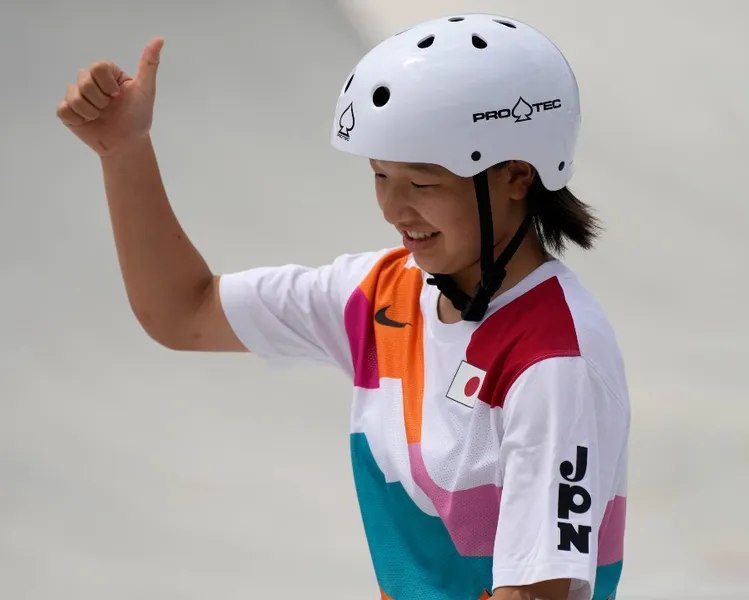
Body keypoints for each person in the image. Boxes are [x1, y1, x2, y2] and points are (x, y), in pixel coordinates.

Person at [56, 12, 630, 600]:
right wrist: (123, 150)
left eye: (423, 183)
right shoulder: (380, 293)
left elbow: (536, 594)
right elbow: (184, 309)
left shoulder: (554, 360)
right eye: (380, 176)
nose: (393, 207)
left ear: (517, 176)